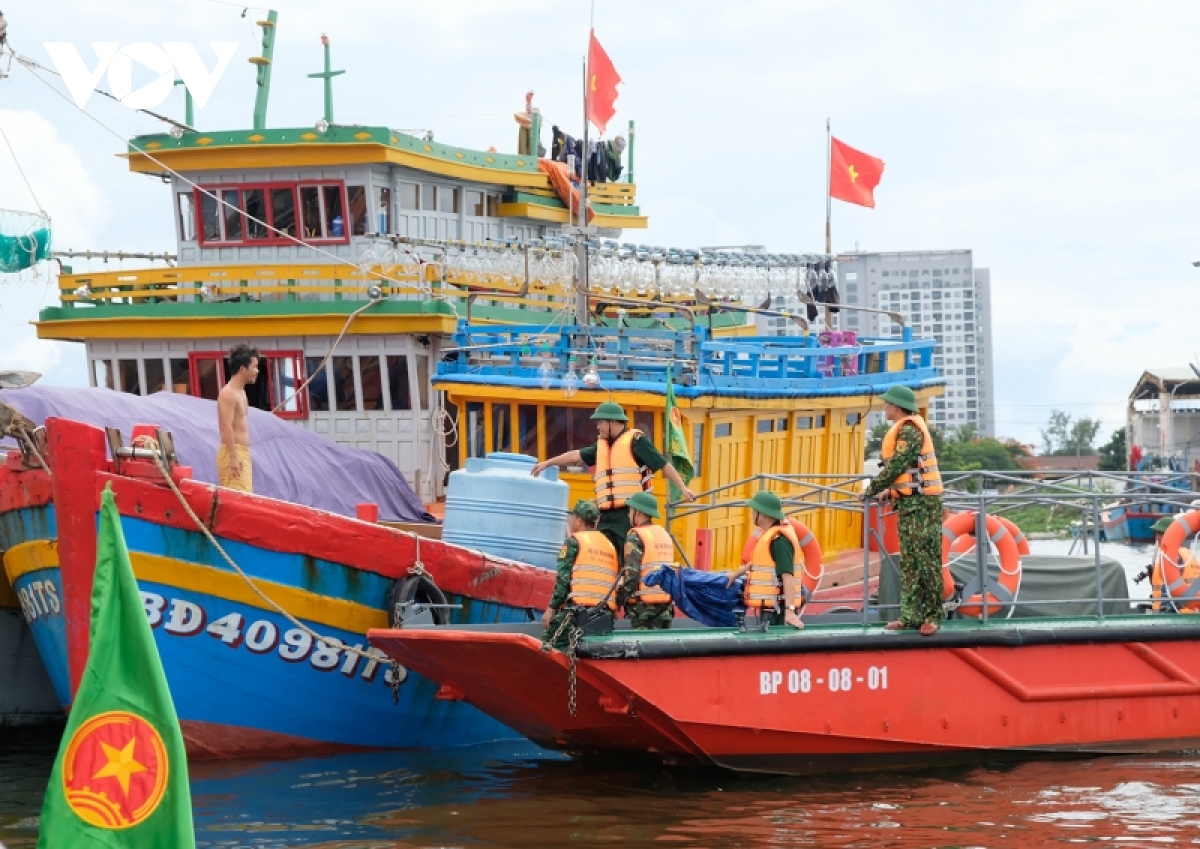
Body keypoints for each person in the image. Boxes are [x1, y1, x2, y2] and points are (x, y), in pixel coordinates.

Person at [530, 401, 696, 562]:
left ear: (613, 422)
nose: (597, 427)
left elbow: (663, 464)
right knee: (604, 556)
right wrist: (548, 462)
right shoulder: (602, 445)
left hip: (629, 514)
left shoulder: (637, 442)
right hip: (605, 516)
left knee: (627, 558)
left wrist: (682, 487)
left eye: (601, 422)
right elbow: (576, 455)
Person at [862, 385, 943, 636]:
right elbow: (906, 472)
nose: (884, 408)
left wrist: (871, 488)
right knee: (910, 561)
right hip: (909, 503)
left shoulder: (909, 431)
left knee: (925, 561)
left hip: (923, 505)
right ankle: (909, 616)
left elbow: (896, 465)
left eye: (887, 404)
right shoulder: (904, 429)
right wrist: (891, 492)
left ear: (896, 407)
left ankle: (932, 615)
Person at [542, 499, 619, 648]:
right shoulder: (609, 546)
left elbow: (563, 581)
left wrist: (551, 610)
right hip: (605, 616)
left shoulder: (574, 542)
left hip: (578, 614)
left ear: (578, 520)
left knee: (548, 643)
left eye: (572, 517)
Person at [725, 491, 804, 630]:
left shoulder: (779, 540)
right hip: (770, 609)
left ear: (764, 515)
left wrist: (790, 612)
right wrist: (736, 574)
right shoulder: (770, 536)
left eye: (754, 511)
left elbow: (788, 576)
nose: (752, 514)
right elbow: (758, 564)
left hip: (778, 611)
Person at [617, 492, 676, 630]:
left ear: (638, 512)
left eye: (630, 510)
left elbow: (632, 575)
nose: (628, 515)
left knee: (643, 650)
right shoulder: (664, 534)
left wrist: (620, 598)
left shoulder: (636, 536)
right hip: (665, 607)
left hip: (643, 611)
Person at [216, 344, 259, 493]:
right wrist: (233, 457)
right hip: (233, 452)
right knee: (239, 498)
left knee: (246, 496)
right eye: (254, 367)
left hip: (242, 452)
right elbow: (225, 426)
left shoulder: (241, 392)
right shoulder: (228, 393)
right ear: (242, 369)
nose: (257, 371)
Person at [1149, 515, 1200, 612]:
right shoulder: (1189, 555)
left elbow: (1168, 591)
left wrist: (1165, 611)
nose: (1157, 537)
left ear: (1170, 535)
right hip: (1191, 612)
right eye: (1157, 533)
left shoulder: (1172, 558)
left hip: (1175, 615)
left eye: (1161, 533)